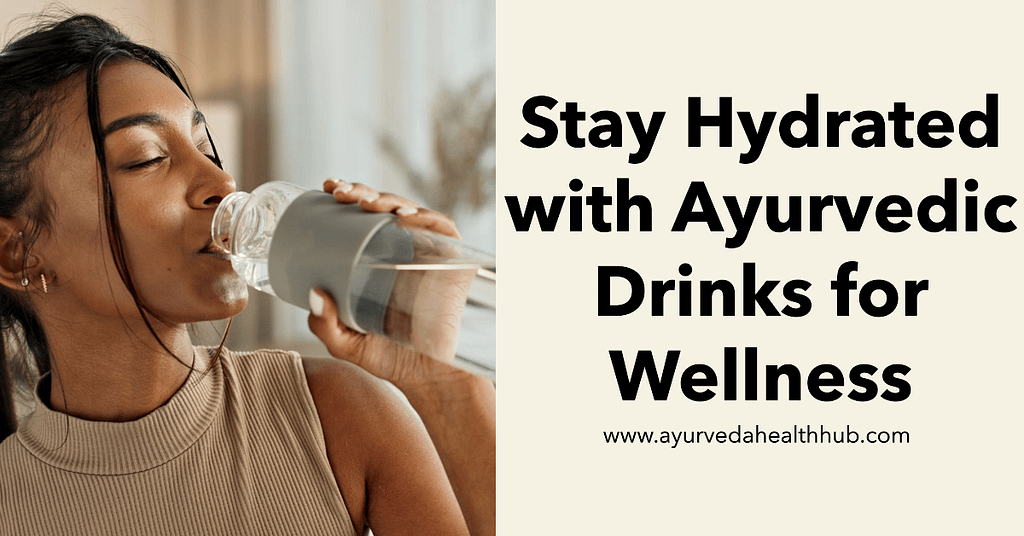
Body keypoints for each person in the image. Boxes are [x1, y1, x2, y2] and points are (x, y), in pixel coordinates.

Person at [0, 13, 495, 536]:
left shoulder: (335, 414)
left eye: (205, 146)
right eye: (147, 157)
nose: (221, 180)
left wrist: (447, 384)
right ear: (18, 254)